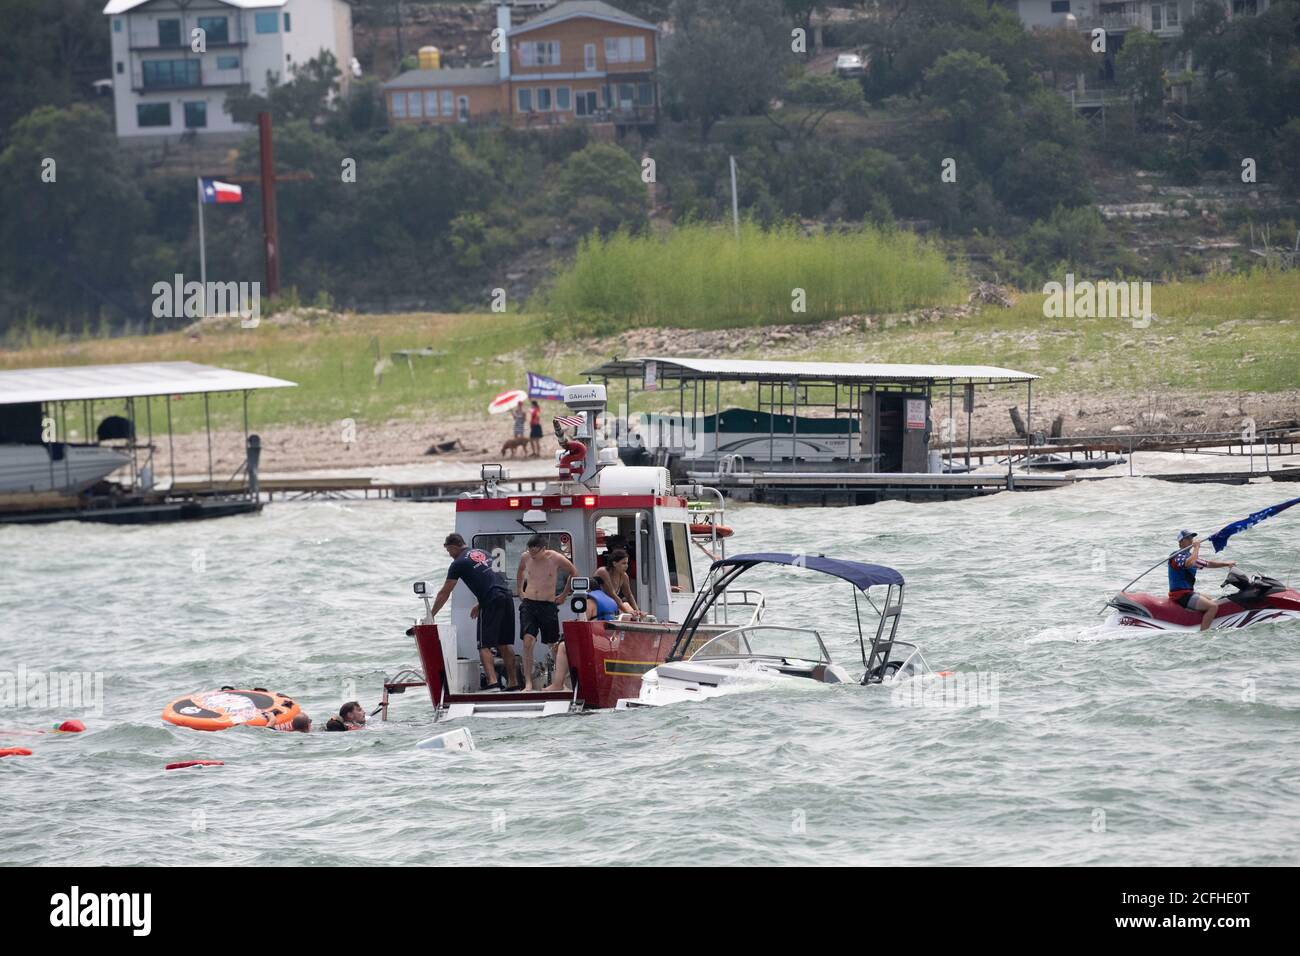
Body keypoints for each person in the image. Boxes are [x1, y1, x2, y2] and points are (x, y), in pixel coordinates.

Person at [428, 532, 521, 691]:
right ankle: (513, 683)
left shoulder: (458, 563)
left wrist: (430, 615)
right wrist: (479, 604)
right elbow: (491, 579)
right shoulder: (482, 552)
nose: (450, 555)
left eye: (449, 551)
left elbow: (445, 592)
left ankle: (492, 683)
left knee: (483, 645)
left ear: (453, 547)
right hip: (505, 596)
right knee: (504, 643)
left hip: (491, 600)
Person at [516, 535, 579, 691]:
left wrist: (564, 594)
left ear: (544, 549)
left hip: (547, 604)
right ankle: (528, 683)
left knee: (553, 645)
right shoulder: (525, 557)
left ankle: (559, 682)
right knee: (527, 641)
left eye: (535, 553)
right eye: (530, 552)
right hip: (529, 603)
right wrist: (520, 591)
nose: (532, 556)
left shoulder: (556, 558)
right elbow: (520, 571)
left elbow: (573, 572)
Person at [1168, 529, 1237, 631]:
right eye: (1188, 538)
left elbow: (1208, 564)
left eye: (1191, 538)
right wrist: (1196, 548)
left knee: (1212, 600)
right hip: (1180, 595)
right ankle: (1204, 633)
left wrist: (1227, 564)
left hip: (1188, 592)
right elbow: (1189, 563)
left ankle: (1201, 621)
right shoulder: (1177, 555)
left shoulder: (1189, 556)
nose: (1191, 540)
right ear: (1181, 542)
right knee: (1212, 607)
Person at [595, 548, 641, 618]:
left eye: (627, 563)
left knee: (628, 606)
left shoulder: (624, 576)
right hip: (596, 606)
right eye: (623, 563)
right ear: (614, 563)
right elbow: (612, 594)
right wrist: (628, 611)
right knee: (625, 605)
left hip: (609, 606)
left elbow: (629, 595)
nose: (626, 566)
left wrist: (637, 611)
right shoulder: (603, 572)